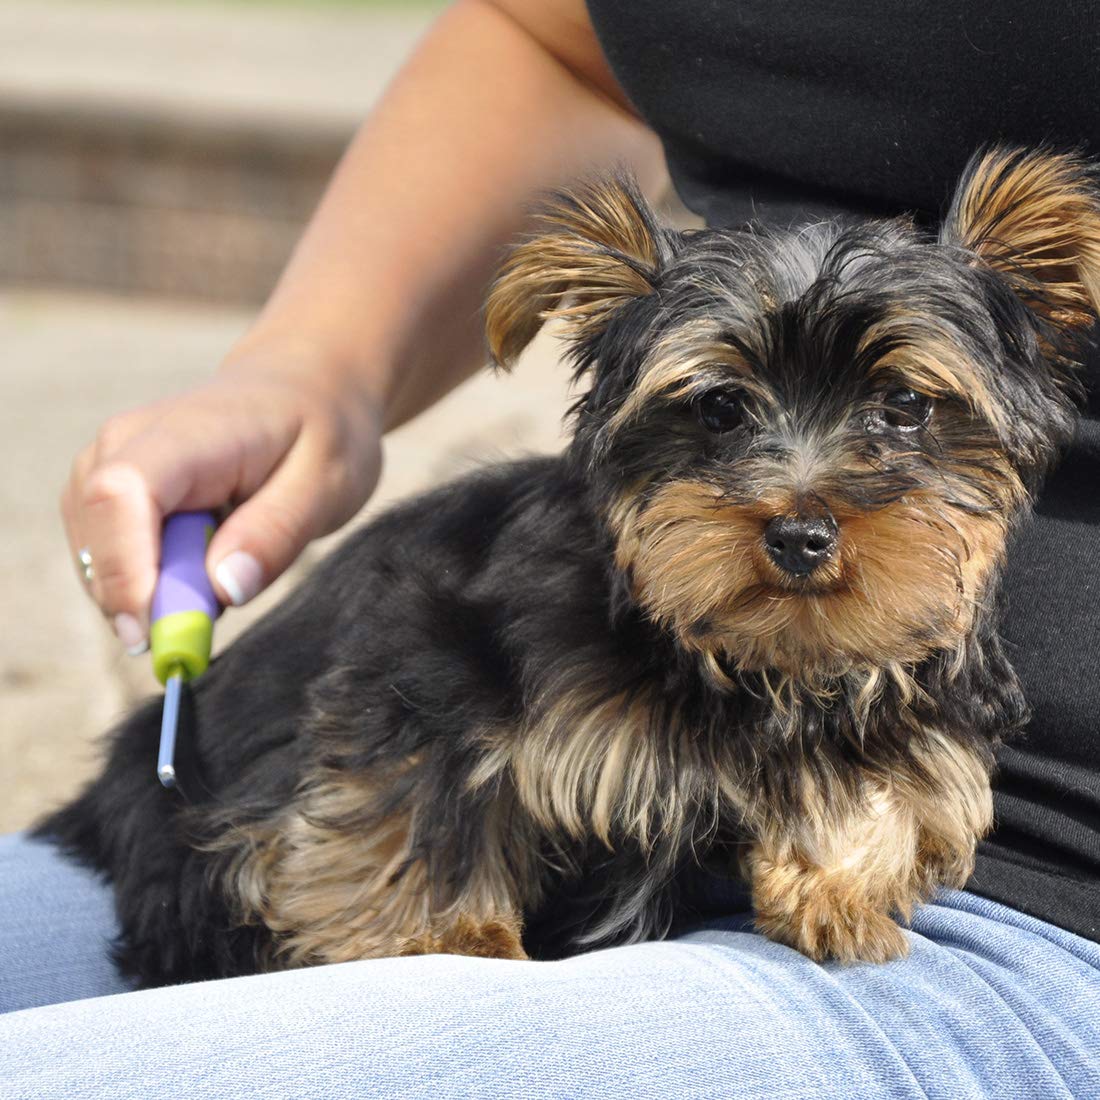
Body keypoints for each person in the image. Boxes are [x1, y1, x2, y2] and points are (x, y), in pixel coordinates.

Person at [3, 1, 1098, 1095]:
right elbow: (550, 42)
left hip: (1036, 898)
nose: (797, 500)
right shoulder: (523, 631)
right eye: (716, 414)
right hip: (221, 834)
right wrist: (308, 367)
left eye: (903, 410)